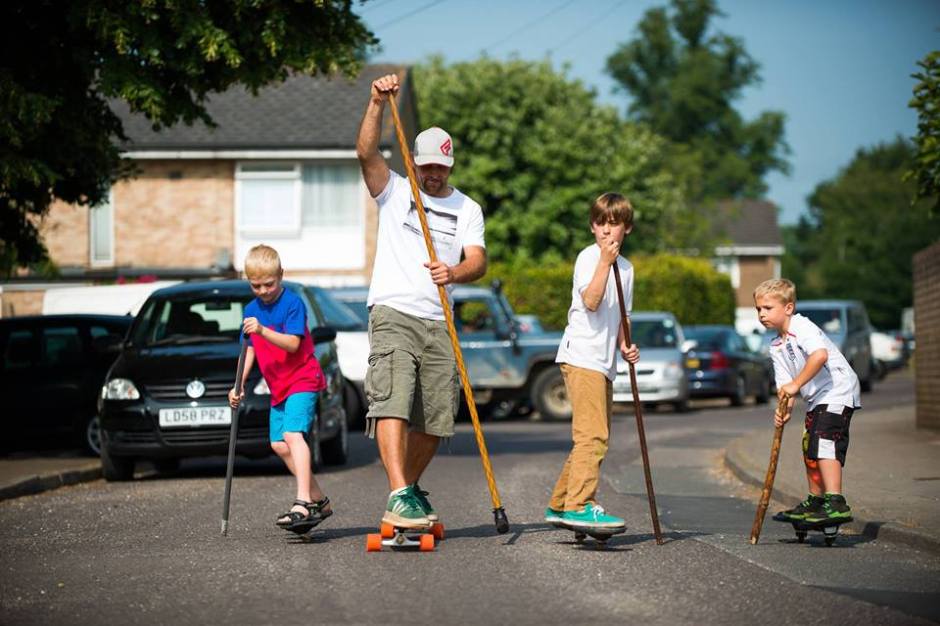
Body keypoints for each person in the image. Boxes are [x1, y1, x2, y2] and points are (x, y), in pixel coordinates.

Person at [356, 73, 487, 528]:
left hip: (439, 319)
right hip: (393, 310)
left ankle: (405, 493)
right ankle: (400, 493)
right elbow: (365, 152)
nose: (432, 174)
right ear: (414, 161)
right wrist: (376, 103)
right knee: (391, 401)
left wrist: (454, 272)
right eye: (426, 166)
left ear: (450, 166)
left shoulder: (467, 208)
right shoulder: (394, 189)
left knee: (436, 417)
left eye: (440, 168)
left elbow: (478, 261)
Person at [546, 192, 640, 531]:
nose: (606, 230)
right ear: (592, 227)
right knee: (593, 436)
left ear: (627, 228)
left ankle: (560, 504)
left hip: (604, 361)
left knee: (592, 436)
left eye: (613, 224)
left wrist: (626, 345)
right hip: (582, 355)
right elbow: (591, 300)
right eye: (600, 223)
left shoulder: (627, 269)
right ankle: (580, 505)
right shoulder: (588, 258)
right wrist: (604, 262)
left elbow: (623, 316)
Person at [228, 244, 331, 530]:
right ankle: (319, 500)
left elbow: (293, 343)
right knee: (279, 445)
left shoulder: (293, 303)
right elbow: (248, 349)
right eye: (255, 285)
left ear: (281, 275)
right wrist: (238, 385)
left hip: (302, 377)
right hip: (278, 386)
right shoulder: (250, 309)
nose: (263, 291)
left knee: (292, 434)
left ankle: (303, 502)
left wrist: (262, 329)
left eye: (269, 284)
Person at [754, 278, 860, 524]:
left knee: (824, 441)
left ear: (788, 308)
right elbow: (785, 386)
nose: (761, 314)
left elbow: (819, 356)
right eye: (758, 309)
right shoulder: (776, 345)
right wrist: (785, 408)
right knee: (809, 447)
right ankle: (816, 500)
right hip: (817, 398)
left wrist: (796, 385)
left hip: (837, 389)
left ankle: (836, 501)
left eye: (768, 308)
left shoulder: (801, 326)